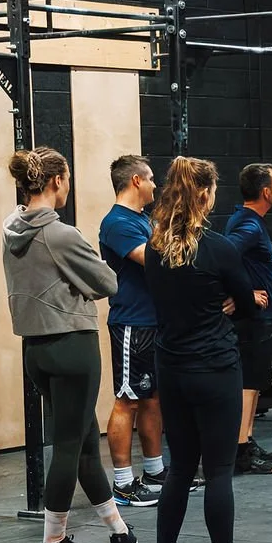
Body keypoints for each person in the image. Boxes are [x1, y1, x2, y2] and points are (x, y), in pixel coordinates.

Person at [1, 147, 137, 543]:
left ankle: (118, 530)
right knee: (67, 447)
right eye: (69, 178)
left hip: (36, 351)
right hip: (72, 346)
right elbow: (108, 282)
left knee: (80, 444)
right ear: (57, 181)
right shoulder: (61, 234)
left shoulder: (11, 228)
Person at [144, 155, 261, 543]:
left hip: (171, 370)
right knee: (217, 472)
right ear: (206, 195)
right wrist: (233, 301)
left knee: (179, 470)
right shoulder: (217, 248)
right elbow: (249, 306)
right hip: (213, 369)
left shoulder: (155, 248)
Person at [99, 154, 166, 506]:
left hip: (152, 321)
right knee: (128, 399)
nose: (155, 184)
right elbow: (152, 260)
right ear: (137, 181)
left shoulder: (143, 219)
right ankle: (124, 484)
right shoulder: (117, 223)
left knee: (152, 398)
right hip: (132, 323)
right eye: (151, 178)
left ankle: (154, 472)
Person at [224, 163, 272, 475]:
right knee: (248, 383)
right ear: (265, 192)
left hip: (259, 317)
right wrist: (246, 294)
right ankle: (240, 451)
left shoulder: (248, 220)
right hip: (252, 318)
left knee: (256, 380)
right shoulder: (247, 226)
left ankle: (247, 439)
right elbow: (225, 253)